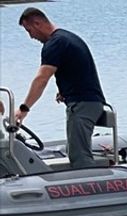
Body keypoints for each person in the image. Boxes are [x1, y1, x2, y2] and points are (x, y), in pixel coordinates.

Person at [13, 8, 106, 169]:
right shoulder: (66, 38)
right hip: (86, 102)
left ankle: (90, 187)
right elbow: (76, 68)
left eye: (29, 30)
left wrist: (24, 108)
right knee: (74, 150)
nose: (31, 36)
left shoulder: (55, 43)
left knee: (79, 156)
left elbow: (42, 78)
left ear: (37, 23)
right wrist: (65, 90)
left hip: (83, 104)